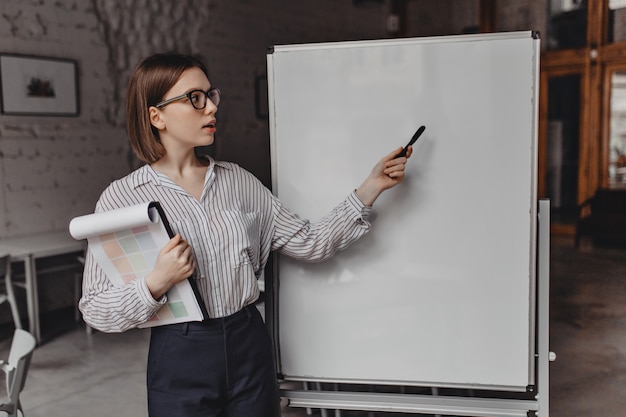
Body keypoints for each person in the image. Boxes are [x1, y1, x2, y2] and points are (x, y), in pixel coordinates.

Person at [78, 52, 413, 417]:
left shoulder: (238, 181)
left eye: (210, 95)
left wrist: (370, 187)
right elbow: (96, 308)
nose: (211, 109)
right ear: (156, 115)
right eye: (194, 98)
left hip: (249, 342)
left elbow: (310, 242)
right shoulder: (121, 199)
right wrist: (156, 282)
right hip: (179, 354)